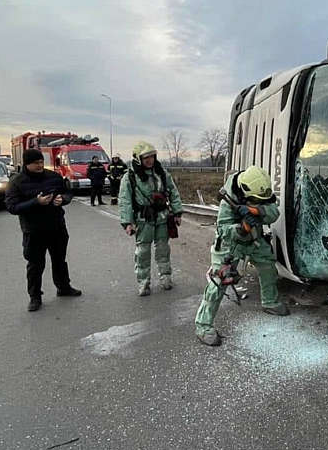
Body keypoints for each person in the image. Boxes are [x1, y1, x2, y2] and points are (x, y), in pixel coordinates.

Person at [195, 165, 288, 346]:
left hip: (254, 239)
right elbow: (223, 230)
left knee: (268, 265)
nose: (260, 201)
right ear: (245, 193)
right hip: (232, 244)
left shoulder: (259, 189)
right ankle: (203, 325)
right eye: (255, 201)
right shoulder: (228, 200)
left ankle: (270, 302)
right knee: (219, 282)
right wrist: (241, 228)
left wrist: (256, 211)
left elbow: (273, 212)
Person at [6, 148, 82, 312]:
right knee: (35, 264)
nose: (40, 165)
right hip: (33, 231)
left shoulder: (53, 177)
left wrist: (63, 200)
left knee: (59, 260)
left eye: (41, 162)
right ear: (27, 164)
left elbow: (67, 192)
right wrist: (36, 202)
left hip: (56, 227)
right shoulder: (17, 181)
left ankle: (63, 287)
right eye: (36, 163)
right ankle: (35, 297)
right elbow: (12, 206)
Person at [118, 142, 183, 297]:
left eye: (152, 156)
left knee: (163, 249)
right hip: (143, 219)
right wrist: (127, 223)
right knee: (143, 252)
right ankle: (143, 282)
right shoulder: (130, 177)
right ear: (138, 158)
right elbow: (125, 201)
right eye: (146, 157)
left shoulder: (161, 173)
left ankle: (166, 277)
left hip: (162, 217)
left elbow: (173, 192)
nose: (150, 160)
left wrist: (177, 212)